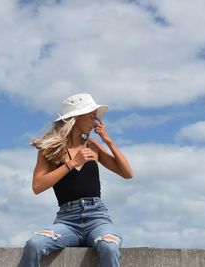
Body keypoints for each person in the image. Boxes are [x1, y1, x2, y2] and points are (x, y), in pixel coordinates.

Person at [18, 93, 133, 267]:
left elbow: (127, 173)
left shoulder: (93, 146)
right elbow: (37, 186)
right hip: (66, 221)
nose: (95, 122)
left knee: (109, 247)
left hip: (98, 218)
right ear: (76, 118)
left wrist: (108, 141)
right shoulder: (49, 149)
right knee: (34, 244)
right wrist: (72, 164)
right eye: (91, 116)